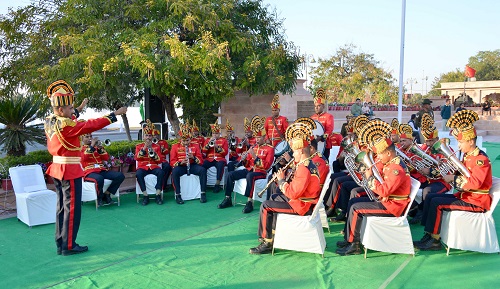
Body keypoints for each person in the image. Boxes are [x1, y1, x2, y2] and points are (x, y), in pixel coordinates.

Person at [44, 79, 127, 256]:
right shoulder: (67, 126)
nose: (73, 111)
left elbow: (70, 119)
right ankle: (69, 246)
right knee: (72, 208)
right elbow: (90, 125)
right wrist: (114, 114)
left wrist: (79, 109)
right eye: (70, 108)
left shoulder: (52, 121)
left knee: (61, 208)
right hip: (69, 170)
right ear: (61, 110)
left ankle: (61, 243)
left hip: (57, 169)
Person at [414, 109, 492, 251]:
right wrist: (451, 169)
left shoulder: (481, 159)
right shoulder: (468, 156)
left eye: (461, 142)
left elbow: (475, 183)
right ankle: (428, 233)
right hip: (466, 197)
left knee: (437, 202)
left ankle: (435, 240)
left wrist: (453, 178)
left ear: (470, 141)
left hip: (476, 201)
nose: (459, 145)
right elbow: (465, 174)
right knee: (431, 197)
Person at [336, 120, 411, 256]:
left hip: (392, 206)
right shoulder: (391, 164)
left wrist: (370, 177)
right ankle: (349, 239)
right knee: (353, 202)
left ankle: (355, 244)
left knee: (355, 208)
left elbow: (384, 190)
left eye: (380, 154)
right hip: (388, 201)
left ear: (388, 153)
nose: (378, 157)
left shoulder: (396, 168)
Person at [249, 122, 321, 254]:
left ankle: (267, 242)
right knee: (274, 197)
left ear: (300, 151)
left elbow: (292, 193)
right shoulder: (307, 164)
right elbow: (297, 187)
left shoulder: (304, 169)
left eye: (294, 152)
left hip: (301, 206)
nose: (293, 155)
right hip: (304, 201)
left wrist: (281, 180)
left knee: (266, 205)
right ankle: (273, 232)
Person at [218, 116, 274, 213]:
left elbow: (267, 166)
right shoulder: (254, 147)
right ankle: (228, 198)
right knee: (231, 174)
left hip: (261, 172)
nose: (257, 139)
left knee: (250, 175)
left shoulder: (270, 149)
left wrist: (255, 156)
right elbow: (247, 164)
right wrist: (244, 159)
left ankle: (249, 202)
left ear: (264, 137)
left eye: (259, 137)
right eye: (256, 137)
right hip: (250, 170)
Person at [81, 133, 125, 206]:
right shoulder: (80, 149)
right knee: (99, 179)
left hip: (101, 170)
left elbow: (106, 158)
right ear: (82, 139)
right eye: (87, 137)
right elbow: (84, 158)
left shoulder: (96, 148)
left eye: (91, 136)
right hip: (89, 172)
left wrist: (100, 148)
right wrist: (92, 146)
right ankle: (99, 198)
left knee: (120, 175)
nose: (90, 138)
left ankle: (107, 194)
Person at [170, 123, 208, 204]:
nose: (186, 143)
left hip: (192, 165)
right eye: (184, 141)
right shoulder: (175, 146)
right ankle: (178, 195)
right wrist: (180, 163)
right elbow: (172, 161)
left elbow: (200, 161)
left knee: (203, 170)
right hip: (181, 166)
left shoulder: (196, 145)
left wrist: (193, 158)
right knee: (175, 172)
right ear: (180, 139)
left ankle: (203, 193)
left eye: (187, 140)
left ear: (190, 139)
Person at [135, 120, 165, 205]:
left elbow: (159, 160)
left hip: (153, 166)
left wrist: (153, 153)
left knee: (161, 172)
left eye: (150, 136)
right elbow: (137, 158)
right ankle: (145, 195)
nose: (148, 137)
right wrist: (144, 148)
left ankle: (158, 194)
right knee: (138, 174)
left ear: (152, 137)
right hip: (142, 167)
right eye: (146, 135)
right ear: (143, 137)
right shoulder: (138, 146)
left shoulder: (157, 146)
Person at [202, 120, 228, 193]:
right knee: (202, 165)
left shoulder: (224, 140)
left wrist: (217, 146)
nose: (215, 135)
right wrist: (208, 144)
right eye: (213, 133)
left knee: (220, 164)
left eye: (216, 133)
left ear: (219, 133)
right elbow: (203, 151)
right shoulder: (207, 140)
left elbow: (225, 152)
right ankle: (203, 184)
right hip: (209, 159)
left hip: (219, 158)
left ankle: (217, 184)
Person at [310, 88, 334, 160]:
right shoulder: (312, 117)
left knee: (324, 164)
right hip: (313, 146)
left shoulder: (328, 116)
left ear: (323, 106)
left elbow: (329, 130)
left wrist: (321, 137)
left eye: (319, 106)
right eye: (315, 106)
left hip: (325, 145)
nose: (316, 108)